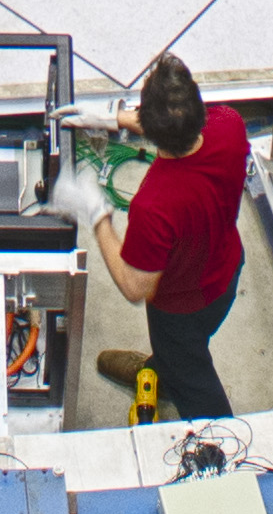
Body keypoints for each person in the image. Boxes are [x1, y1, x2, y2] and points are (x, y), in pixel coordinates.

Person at [82, 50, 250, 424]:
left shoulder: (154, 205)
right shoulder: (230, 124)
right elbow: (179, 124)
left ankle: (222, 448)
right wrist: (113, 119)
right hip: (226, 271)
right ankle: (160, 368)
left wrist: (97, 216)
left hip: (181, 309)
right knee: (184, 350)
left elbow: (134, 286)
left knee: (192, 373)